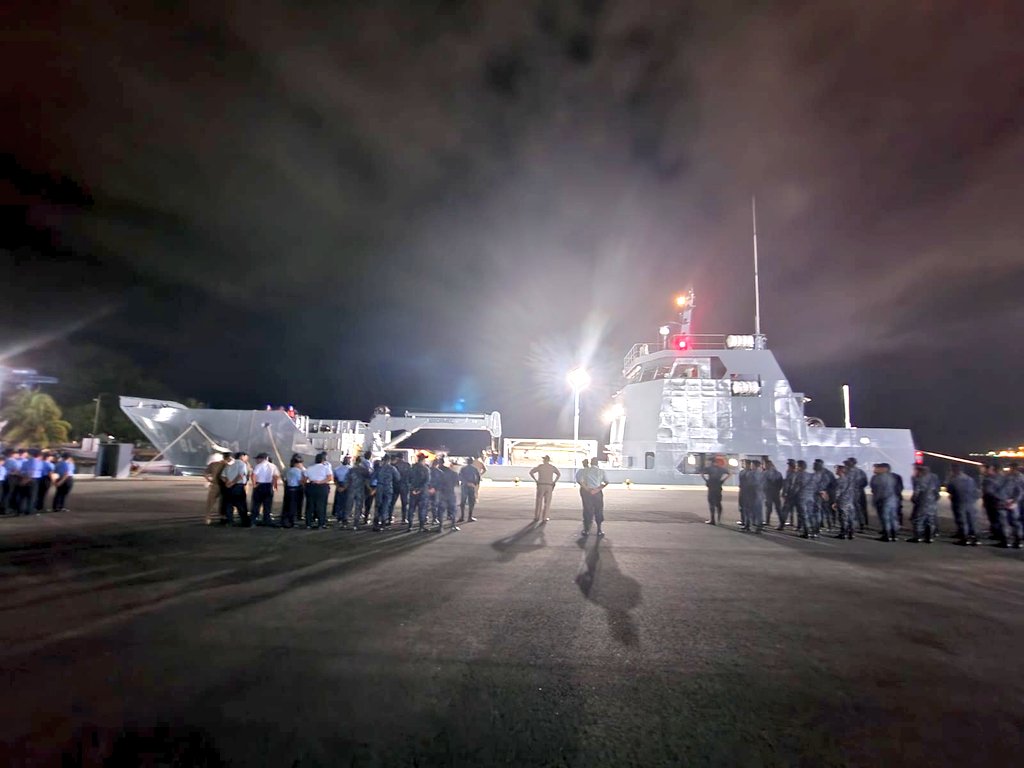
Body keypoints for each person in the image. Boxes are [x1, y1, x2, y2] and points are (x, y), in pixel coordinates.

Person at [947, 464, 979, 545]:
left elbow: (950, 490)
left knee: (962, 521)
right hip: (971, 502)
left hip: (959, 502)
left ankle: (965, 538)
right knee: (972, 520)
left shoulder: (953, 480)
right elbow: (975, 490)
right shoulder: (970, 479)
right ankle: (975, 537)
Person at [870, 463, 900, 542]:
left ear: (883, 469)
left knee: (885, 518)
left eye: (877, 468)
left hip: (883, 500)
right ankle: (894, 535)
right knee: (893, 517)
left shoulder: (878, 478)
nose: (874, 470)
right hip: (893, 499)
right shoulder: (892, 477)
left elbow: (878, 491)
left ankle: (887, 535)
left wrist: (875, 500)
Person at [578, 457, 608, 537]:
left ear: (590, 463)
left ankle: (586, 530)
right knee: (598, 510)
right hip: (597, 492)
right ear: (597, 463)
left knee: (587, 510)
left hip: (587, 492)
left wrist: (587, 489)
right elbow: (606, 482)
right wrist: (597, 489)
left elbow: (580, 481)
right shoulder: (601, 471)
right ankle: (599, 530)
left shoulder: (585, 470)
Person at [221, 451, 251, 526]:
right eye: (246, 456)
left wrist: (227, 482)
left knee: (229, 505)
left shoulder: (229, 464)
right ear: (242, 456)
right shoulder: (242, 463)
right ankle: (245, 522)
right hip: (238, 486)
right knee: (241, 505)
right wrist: (232, 483)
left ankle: (230, 521)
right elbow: (241, 475)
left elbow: (222, 476)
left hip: (228, 487)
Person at [303, 452, 332, 529]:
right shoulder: (326, 468)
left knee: (310, 506)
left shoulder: (309, 468)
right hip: (322, 488)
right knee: (321, 506)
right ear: (323, 460)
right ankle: (321, 524)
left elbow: (304, 480)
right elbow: (329, 478)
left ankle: (308, 524)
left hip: (311, 487)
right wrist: (320, 482)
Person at [371, 454, 400, 531]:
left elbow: (372, 477)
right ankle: (383, 524)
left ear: (383, 460)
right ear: (389, 460)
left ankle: (376, 523)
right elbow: (397, 478)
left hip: (379, 487)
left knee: (378, 505)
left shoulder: (379, 468)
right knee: (386, 505)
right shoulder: (392, 468)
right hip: (388, 488)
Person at [251, 453, 280, 526]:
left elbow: (253, 475)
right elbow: (275, 476)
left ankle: (253, 520)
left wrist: (254, 484)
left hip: (259, 485)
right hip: (268, 486)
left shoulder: (258, 466)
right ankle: (267, 520)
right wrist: (275, 485)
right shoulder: (273, 466)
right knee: (267, 505)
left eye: (257, 459)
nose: (256, 460)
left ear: (262, 458)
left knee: (256, 504)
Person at [529, 455, 560, 523]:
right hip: (549, 485)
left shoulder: (540, 467)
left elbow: (531, 472)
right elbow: (558, 474)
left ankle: (537, 516)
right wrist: (554, 481)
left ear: (544, 460)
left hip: (541, 484)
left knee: (539, 501)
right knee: (547, 502)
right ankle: (545, 517)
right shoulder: (552, 467)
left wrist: (536, 480)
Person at [701, 456, 731, 525]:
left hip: (711, 487)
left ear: (711, 462)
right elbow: (729, 474)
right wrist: (722, 480)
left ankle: (712, 519)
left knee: (711, 503)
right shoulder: (721, 468)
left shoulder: (709, 468)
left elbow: (702, 474)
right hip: (718, 486)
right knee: (718, 503)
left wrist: (706, 480)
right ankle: (719, 519)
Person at [343, 454, 370, 529]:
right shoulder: (365, 470)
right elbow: (367, 481)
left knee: (348, 506)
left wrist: (344, 487)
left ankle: (345, 522)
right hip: (360, 490)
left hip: (351, 490)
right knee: (358, 507)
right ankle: (356, 523)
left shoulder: (351, 470)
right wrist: (370, 489)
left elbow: (347, 480)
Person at [434, 457, 460, 531]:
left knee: (441, 510)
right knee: (453, 509)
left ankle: (440, 526)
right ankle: (453, 525)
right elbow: (457, 484)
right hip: (451, 493)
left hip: (442, 493)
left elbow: (436, 483)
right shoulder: (454, 473)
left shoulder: (439, 472)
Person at [738, 460, 765, 532]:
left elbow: (752, 484)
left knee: (753, 510)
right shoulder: (759, 473)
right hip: (755, 494)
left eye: (752, 465)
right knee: (753, 510)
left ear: (755, 466)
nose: (751, 466)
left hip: (754, 494)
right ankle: (752, 526)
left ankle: (753, 526)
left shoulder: (754, 473)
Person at [795, 460, 819, 538]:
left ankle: (807, 532)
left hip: (802, 498)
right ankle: (814, 532)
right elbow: (815, 487)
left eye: (797, 465)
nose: (796, 467)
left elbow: (796, 487)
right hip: (811, 497)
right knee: (811, 515)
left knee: (804, 515)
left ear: (800, 467)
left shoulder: (799, 475)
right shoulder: (811, 475)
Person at [407, 453, 431, 532]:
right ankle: (421, 527)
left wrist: (413, 489)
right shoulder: (426, 469)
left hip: (413, 491)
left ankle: (410, 526)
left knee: (411, 509)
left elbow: (408, 479)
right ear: (423, 460)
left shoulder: (411, 468)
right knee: (422, 509)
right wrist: (420, 489)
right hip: (422, 492)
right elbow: (427, 481)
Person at [844, 458, 869, 531]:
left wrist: (857, 488)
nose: (846, 464)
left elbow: (864, 482)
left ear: (853, 463)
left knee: (858, 509)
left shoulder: (859, 472)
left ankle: (861, 524)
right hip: (849, 493)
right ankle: (853, 525)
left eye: (848, 463)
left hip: (857, 493)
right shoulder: (846, 471)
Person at [204, 452, 229, 525]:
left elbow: (205, 473)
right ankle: (223, 517)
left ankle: (208, 517)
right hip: (224, 486)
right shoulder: (227, 465)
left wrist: (209, 480)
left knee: (210, 502)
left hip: (214, 485)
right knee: (224, 502)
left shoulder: (213, 464)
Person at [833, 464, 857, 539]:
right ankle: (851, 533)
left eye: (837, 470)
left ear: (841, 471)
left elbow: (838, 492)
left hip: (842, 501)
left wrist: (835, 502)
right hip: (850, 501)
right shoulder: (850, 480)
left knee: (843, 518)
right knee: (850, 517)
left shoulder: (839, 480)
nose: (836, 471)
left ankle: (844, 533)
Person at [281, 456, 306, 528]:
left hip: (288, 488)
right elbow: (300, 481)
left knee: (287, 505)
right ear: (297, 463)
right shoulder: (298, 471)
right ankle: (291, 522)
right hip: (296, 489)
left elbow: (284, 478)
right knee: (293, 506)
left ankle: (285, 520)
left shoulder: (288, 470)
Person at [812, 459, 836, 532]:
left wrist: (820, 491)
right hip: (820, 494)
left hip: (826, 494)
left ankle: (830, 526)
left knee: (826, 510)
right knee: (820, 510)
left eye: (815, 465)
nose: (813, 466)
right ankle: (820, 525)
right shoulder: (818, 472)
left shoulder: (826, 473)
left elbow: (823, 485)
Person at [458, 457, 481, 523]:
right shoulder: (474, 469)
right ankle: (469, 517)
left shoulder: (463, 469)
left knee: (463, 502)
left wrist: (466, 482)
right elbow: (478, 477)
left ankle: (462, 517)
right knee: (471, 502)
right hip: (471, 486)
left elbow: (460, 477)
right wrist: (475, 484)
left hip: (464, 486)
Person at [762, 460, 783, 528]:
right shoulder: (778, 473)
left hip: (768, 493)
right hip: (776, 493)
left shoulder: (765, 473)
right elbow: (781, 484)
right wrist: (777, 490)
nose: (764, 466)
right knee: (778, 508)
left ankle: (767, 521)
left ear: (768, 465)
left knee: (768, 508)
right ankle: (781, 522)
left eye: (764, 464)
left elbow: (763, 484)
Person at [393, 452, 412, 526]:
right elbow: (410, 475)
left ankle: (389, 517)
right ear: (403, 457)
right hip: (405, 485)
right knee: (404, 503)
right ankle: (404, 518)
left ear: (397, 457)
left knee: (392, 502)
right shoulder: (407, 465)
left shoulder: (395, 465)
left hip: (396, 485)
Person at [331, 456, 351, 525]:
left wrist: (338, 486)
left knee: (339, 502)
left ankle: (339, 516)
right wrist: (345, 487)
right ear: (348, 461)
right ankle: (345, 518)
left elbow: (334, 479)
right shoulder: (350, 469)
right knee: (346, 503)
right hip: (347, 487)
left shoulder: (337, 469)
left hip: (339, 485)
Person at [779, 459, 798, 529]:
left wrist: (784, 493)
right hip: (796, 495)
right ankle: (793, 523)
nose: (788, 467)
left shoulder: (790, 473)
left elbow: (787, 484)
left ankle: (782, 525)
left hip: (790, 494)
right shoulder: (797, 472)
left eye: (789, 465)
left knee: (785, 510)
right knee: (793, 510)